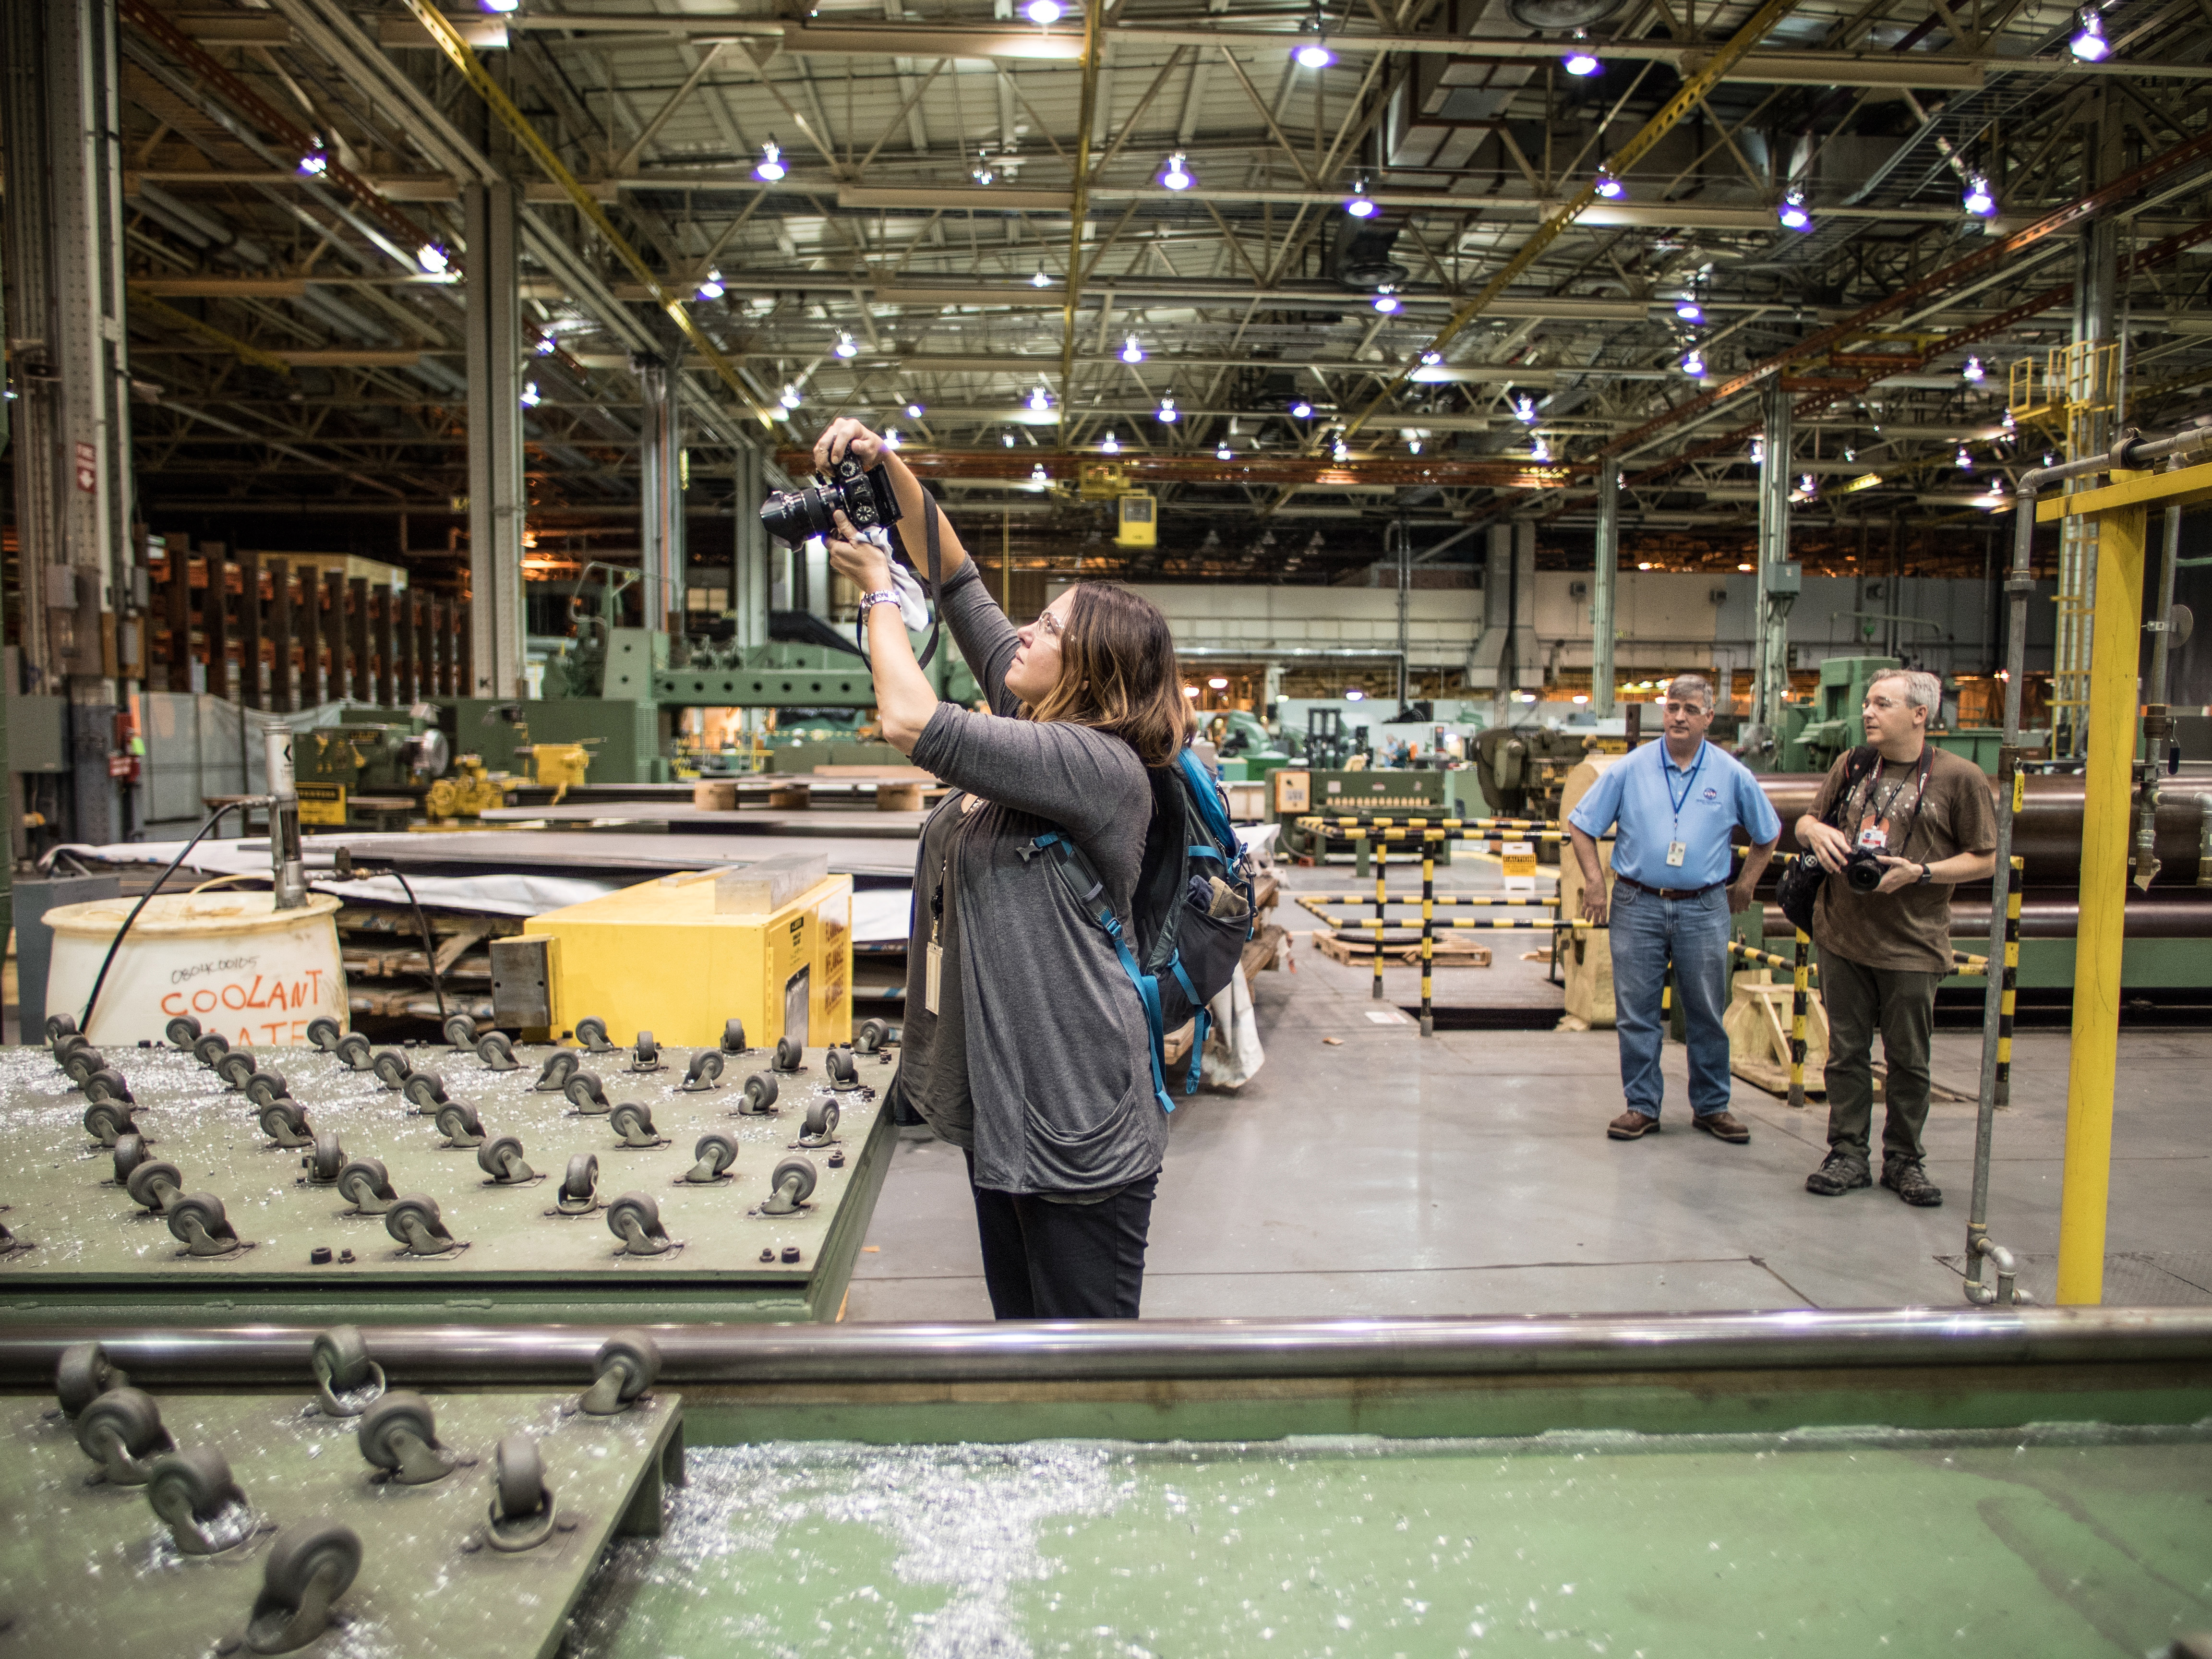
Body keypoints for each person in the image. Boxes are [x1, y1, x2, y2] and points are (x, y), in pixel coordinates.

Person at [813, 416, 1186, 1319]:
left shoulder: (1095, 766)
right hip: (1008, 1110)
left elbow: (909, 721)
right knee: (1019, 1347)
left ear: (1089, 668)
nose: (1023, 630)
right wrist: (884, 464)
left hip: (1078, 1109)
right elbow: (957, 577)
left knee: (1083, 1361)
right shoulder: (1027, 725)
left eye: (1048, 626)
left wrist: (876, 599)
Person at [1795, 669, 1996, 1206]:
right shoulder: (1852, 766)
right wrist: (1815, 831)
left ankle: (1904, 1159)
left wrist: (1922, 873)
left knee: (1909, 1060)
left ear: (1919, 714)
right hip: (1842, 936)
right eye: (1867, 703)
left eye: (1881, 704)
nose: (1868, 712)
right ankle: (1847, 1154)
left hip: (1913, 945)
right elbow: (1807, 823)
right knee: (1846, 1053)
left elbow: (1987, 858)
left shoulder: (1960, 779)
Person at [1567, 674, 1781, 1142]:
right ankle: (1642, 1106)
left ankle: (1711, 1106)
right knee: (1636, 1010)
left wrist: (1746, 884)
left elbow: (1768, 833)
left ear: (1709, 717)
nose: (1678, 717)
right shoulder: (1631, 768)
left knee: (1706, 1009)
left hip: (1704, 907)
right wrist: (1594, 884)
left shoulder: (1731, 774)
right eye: (1671, 708)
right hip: (1636, 903)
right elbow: (1581, 825)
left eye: (1689, 709)